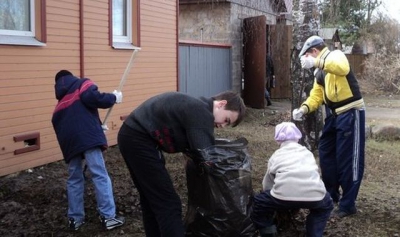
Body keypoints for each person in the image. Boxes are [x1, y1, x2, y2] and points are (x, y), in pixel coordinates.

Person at [117, 91, 246, 237]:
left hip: (131, 136)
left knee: (152, 199)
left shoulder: (197, 106)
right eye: (226, 120)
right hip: (138, 140)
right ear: (221, 104)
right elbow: (206, 156)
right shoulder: (201, 112)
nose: (222, 126)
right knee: (168, 203)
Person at [292, 35, 365, 218]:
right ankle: (331, 196)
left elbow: (342, 68)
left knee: (348, 159)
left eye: (307, 55)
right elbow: (316, 96)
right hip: (333, 116)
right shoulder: (320, 72)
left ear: (314, 51)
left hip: (350, 112)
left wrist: (317, 61)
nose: (307, 60)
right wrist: (304, 109)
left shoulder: (336, 56)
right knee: (326, 154)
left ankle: (348, 205)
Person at [51, 70, 125, 231]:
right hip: (88, 140)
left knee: (74, 179)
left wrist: (96, 127)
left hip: (71, 145)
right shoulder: (81, 84)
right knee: (99, 174)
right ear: (71, 77)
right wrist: (113, 98)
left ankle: (75, 219)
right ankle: (108, 217)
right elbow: (91, 98)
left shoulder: (59, 107)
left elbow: (73, 122)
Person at [251, 122, 333, 237]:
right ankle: (315, 233)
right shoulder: (307, 153)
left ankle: (268, 231)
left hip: (282, 196)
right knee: (326, 206)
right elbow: (315, 173)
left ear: (278, 140)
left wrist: (270, 194)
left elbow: (267, 182)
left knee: (259, 202)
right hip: (315, 195)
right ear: (298, 139)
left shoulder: (277, 155)